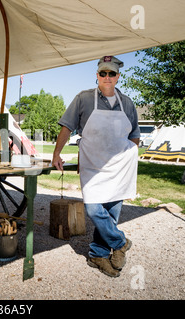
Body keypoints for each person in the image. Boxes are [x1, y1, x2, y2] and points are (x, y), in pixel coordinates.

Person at [52, 56, 140, 277]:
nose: (107, 77)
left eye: (111, 73)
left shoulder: (127, 103)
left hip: (119, 167)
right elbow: (67, 127)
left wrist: (128, 158)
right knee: (93, 208)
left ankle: (98, 254)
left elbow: (135, 136)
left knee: (111, 213)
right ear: (97, 76)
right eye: (103, 73)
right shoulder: (83, 99)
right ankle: (120, 242)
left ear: (118, 77)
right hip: (93, 164)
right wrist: (56, 153)